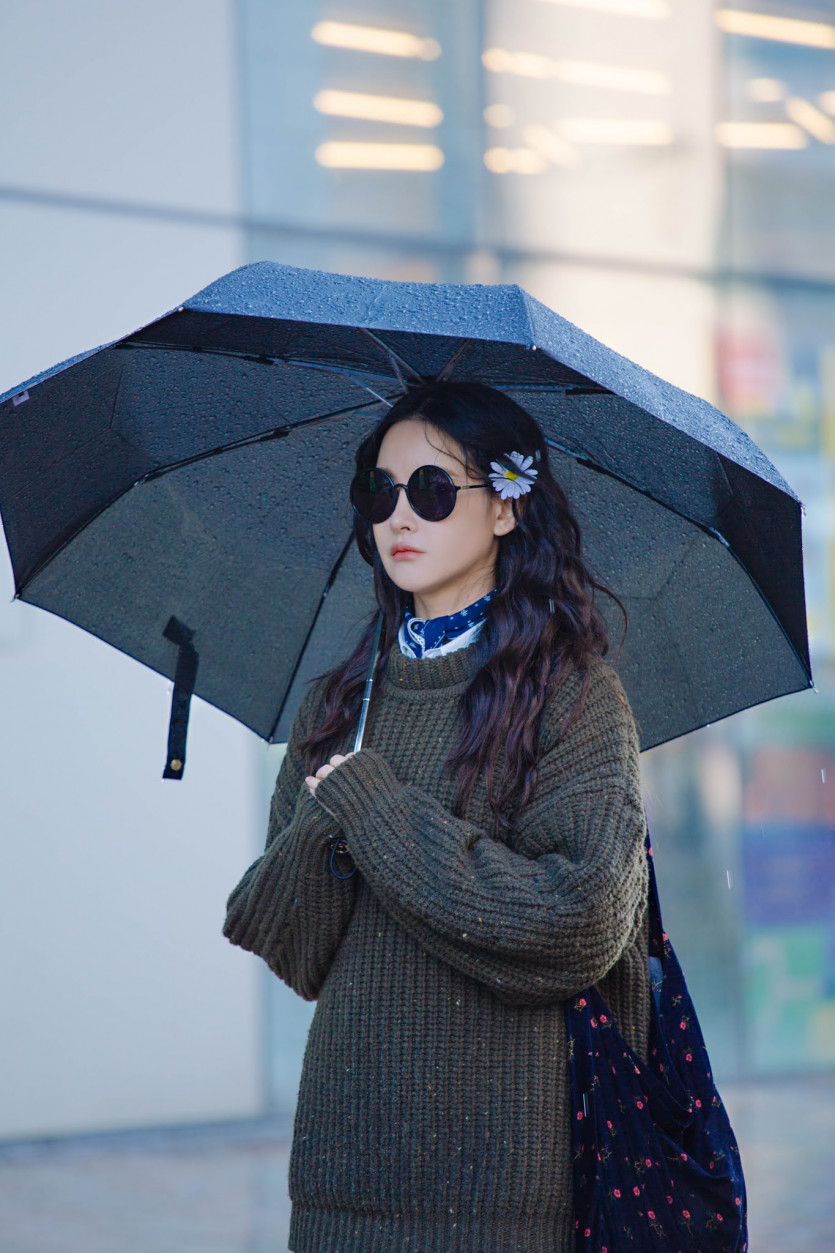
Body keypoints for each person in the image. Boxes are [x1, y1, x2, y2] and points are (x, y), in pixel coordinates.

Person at [222, 380, 650, 1253]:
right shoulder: (337, 702)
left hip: (512, 1187)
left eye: (429, 489)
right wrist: (326, 823)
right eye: (379, 491)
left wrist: (373, 809)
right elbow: (285, 940)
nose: (397, 518)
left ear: (503, 508)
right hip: (344, 1177)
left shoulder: (572, 695)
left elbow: (580, 924)